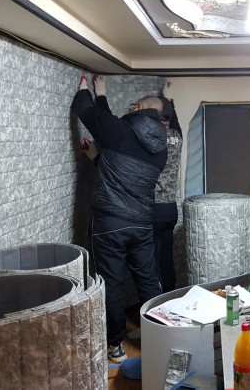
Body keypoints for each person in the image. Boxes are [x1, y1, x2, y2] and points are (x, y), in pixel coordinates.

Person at [73, 75, 167, 363]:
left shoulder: (119, 132)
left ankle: (114, 346)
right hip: (141, 224)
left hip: (111, 224)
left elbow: (86, 110)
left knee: (111, 284)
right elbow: (121, 166)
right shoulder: (161, 148)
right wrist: (101, 94)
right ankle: (160, 338)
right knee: (148, 281)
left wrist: (84, 88)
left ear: (137, 107)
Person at [152, 92, 183, 293]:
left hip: (153, 209)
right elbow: (176, 125)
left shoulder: (152, 139)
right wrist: (171, 101)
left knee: (152, 261)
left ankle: (156, 299)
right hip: (170, 209)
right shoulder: (176, 137)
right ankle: (171, 294)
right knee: (166, 257)